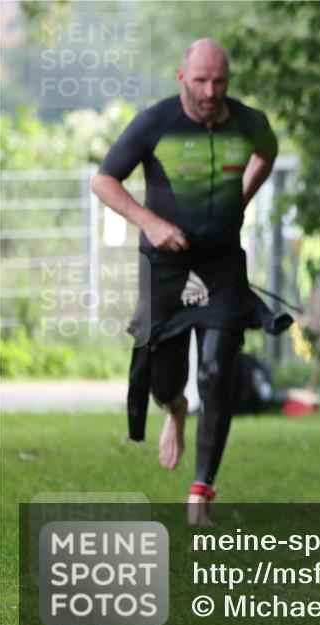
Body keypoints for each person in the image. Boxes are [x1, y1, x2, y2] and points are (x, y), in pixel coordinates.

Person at [92, 38, 292, 525]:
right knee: (165, 379)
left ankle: (201, 489)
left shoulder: (249, 123)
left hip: (222, 265)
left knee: (217, 371)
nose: (210, 91)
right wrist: (151, 224)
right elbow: (104, 181)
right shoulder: (154, 122)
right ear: (183, 77)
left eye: (219, 82)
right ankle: (175, 411)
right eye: (200, 81)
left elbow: (267, 154)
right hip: (166, 267)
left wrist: (241, 201)